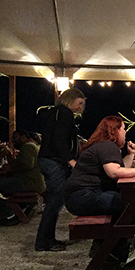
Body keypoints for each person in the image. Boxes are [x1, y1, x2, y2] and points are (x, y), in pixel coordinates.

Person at [65, 116, 135, 261]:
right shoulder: (107, 145)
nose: (125, 133)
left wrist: (130, 154)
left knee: (128, 204)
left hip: (79, 197)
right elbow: (114, 172)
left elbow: (121, 168)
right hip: (82, 196)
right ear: (115, 131)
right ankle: (114, 249)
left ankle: (109, 245)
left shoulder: (105, 146)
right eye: (123, 129)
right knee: (128, 204)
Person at [34, 87, 86, 252]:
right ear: (71, 100)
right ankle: (43, 241)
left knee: (54, 201)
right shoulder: (65, 114)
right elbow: (59, 139)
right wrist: (70, 160)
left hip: (47, 160)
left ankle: (48, 239)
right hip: (54, 161)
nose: (80, 107)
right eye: (79, 103)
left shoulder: (54, 113)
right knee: (56, 201)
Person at [0, 130, 46, 226]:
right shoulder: (33, 146)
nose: (13, 141)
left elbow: (25, 165)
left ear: (23, 137)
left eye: (15, 138)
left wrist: (9, 160)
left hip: (29, 182)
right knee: (1, 184)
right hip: (32, 181)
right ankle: (5, 211)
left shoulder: (28, 146)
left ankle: (7, 214)